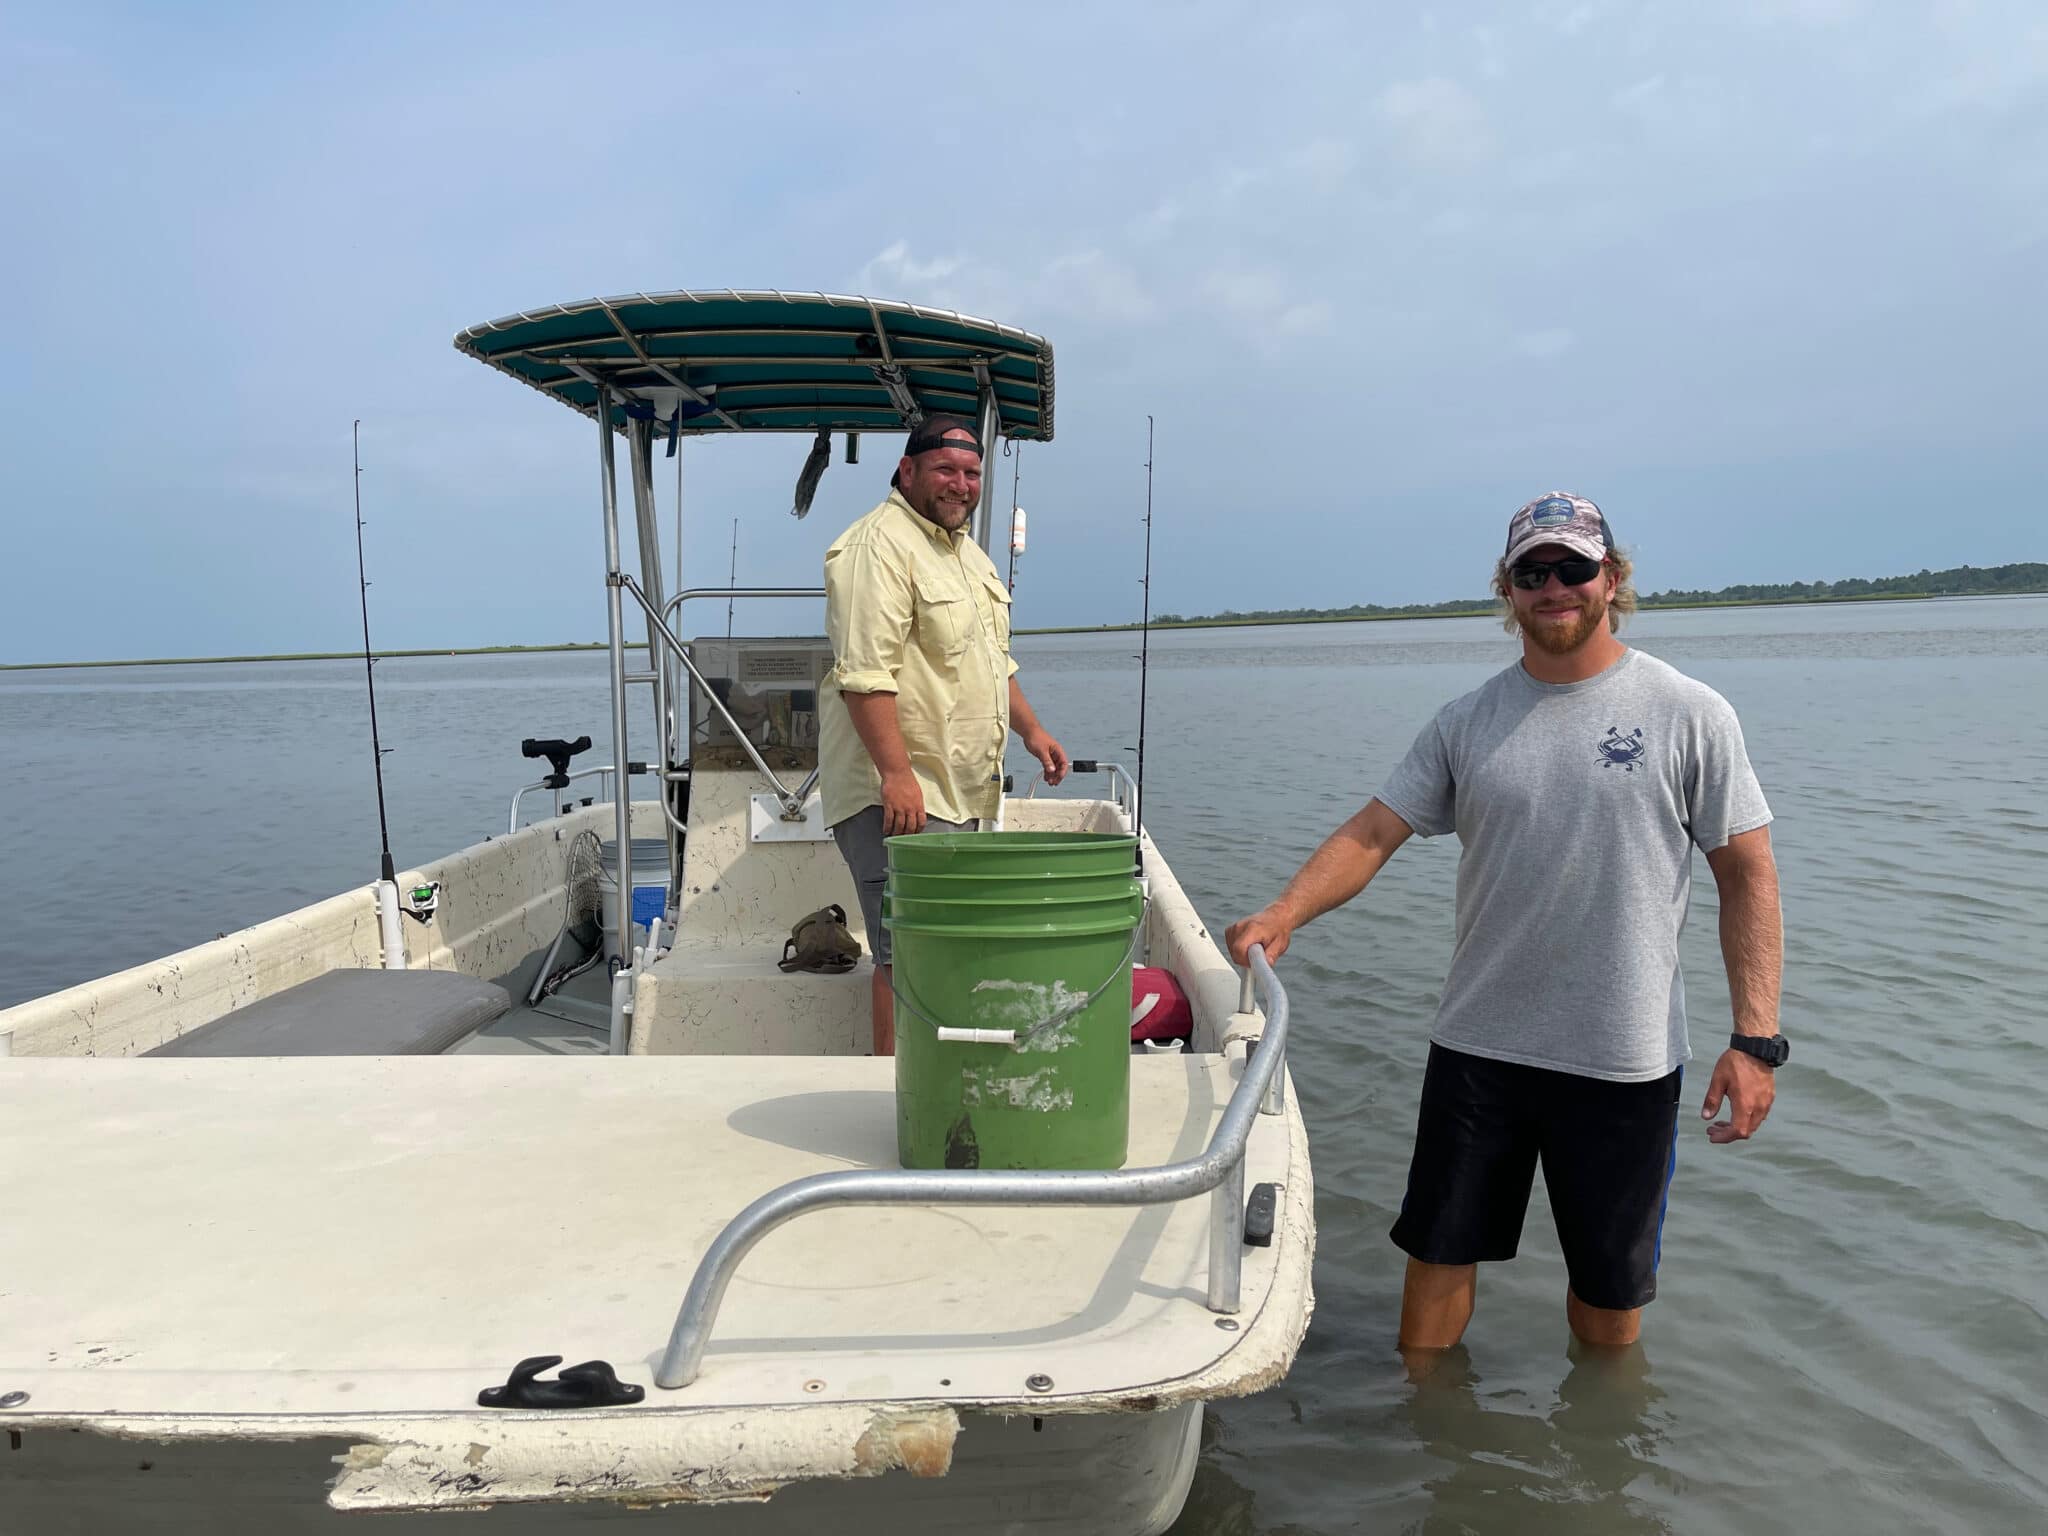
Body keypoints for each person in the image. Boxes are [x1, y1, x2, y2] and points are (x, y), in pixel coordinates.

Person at [1227, 492, 1785, 1355]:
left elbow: (1747, 875)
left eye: (1574, 567)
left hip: (1623, 1060)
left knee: (1609, 1291)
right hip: (1480, 1046)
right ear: (1508, 589)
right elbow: (1375, 832)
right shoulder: (1468, 720)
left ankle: (1601, 1467)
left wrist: (1755, 1041)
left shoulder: (1690, 713)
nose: (1554, 587)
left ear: (1614, 579)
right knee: (1438, 1258)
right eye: (1533, 573)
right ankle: (1426, 1443)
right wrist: (1284, 910)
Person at [820, 415, 1069, 1055]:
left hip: (957, 794)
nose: (961, 484)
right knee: (906, 954)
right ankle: (895, 1098)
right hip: (899, 794)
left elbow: (992, 660)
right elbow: (864, 676)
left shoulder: (966, 554)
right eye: (946, 470)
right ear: (907, 471)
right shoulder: (878, 545)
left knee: (938, 946)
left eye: (972, 473)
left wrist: (1034, 731)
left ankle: (934, 1082)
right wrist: (897, 775)